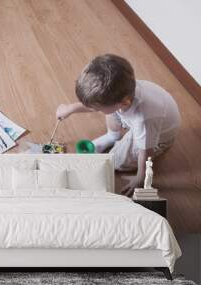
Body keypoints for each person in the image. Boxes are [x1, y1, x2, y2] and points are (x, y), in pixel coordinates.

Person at [56, 54, 180, 196]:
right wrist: (71, 108)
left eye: (98, 108)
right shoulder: (121, 91)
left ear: (124, 103)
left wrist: (141, 178)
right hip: (137, 118)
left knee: (116, 161)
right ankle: (112, 136)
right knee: (109, 110)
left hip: (156, 139)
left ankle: (117, 150)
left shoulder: (143, 120)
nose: (96, 111)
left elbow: (146, 152)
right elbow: (99, 106)